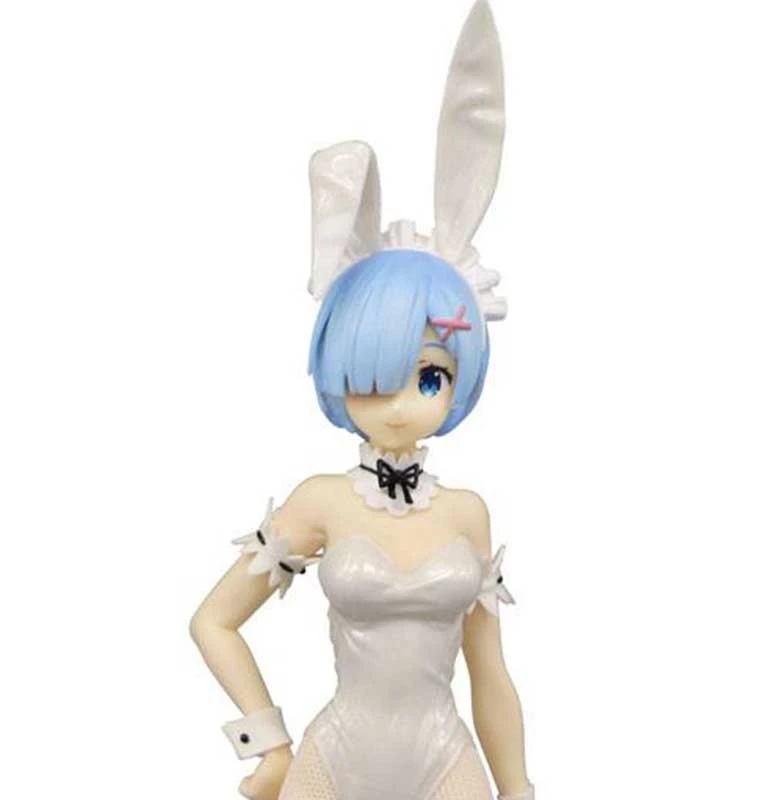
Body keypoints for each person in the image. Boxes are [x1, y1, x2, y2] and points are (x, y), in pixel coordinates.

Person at [190, 3, 534, 798]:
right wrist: (266, 744)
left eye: (429, 377)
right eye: (373, 375)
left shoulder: (469, 514)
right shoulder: (319, 502)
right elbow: (214, 620)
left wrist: (519, 788)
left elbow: (490, 672)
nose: (402, 404)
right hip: (333, 761)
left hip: (445, 759)